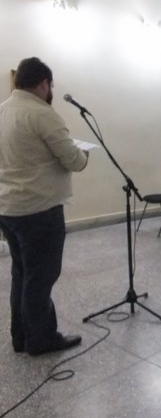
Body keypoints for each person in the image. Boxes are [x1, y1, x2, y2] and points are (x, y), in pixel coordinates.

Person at [0, 57, 89, 355]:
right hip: (38, 210)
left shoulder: (2, 110)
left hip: (8, 209)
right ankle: (41, 340)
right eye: (51, 85)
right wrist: (83, 157)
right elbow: (74, 160)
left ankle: (21, 337)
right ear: (43, 84)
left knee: (21, 273)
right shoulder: (42, 113)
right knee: (40, 278)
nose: (51, 91)